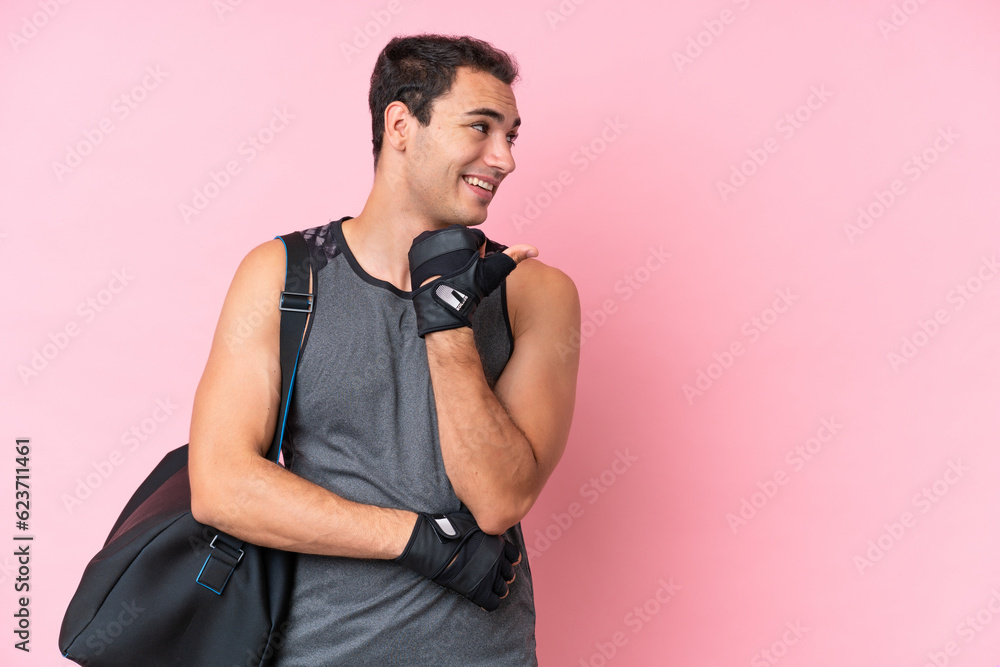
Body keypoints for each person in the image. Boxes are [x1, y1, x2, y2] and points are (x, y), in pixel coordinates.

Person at [188, 33, 580, 665]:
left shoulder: (535, 293)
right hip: (319, 653)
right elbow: (222, 484)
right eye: (481, 127)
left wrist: (446, 317)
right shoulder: (284, 276)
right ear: (401, 124)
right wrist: (419, 541)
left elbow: (500, 498)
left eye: (511, 135)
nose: (504, 158)